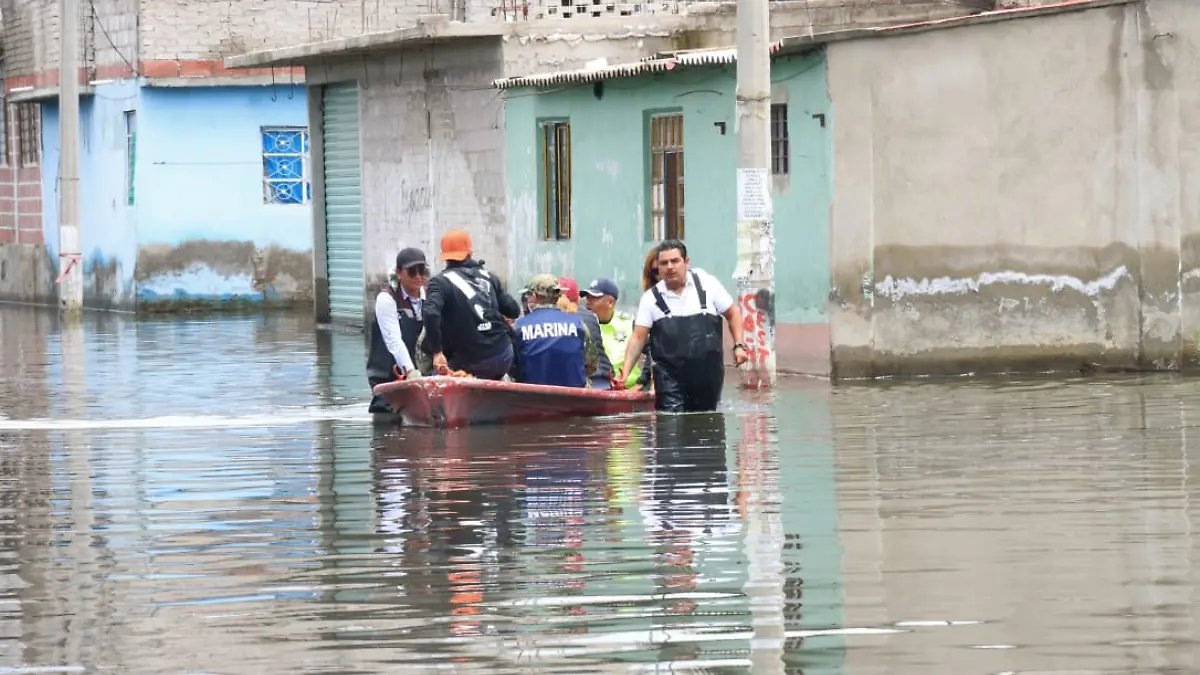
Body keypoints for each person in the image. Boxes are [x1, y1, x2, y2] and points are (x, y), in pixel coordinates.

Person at [616, 239, 749, 412]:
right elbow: (638, 338)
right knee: (670, 426)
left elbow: (733, 313)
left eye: (675, 261)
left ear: (686, 262)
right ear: (658, 267)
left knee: (707, 425)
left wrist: (739, 345)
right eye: (664, 263)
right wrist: (625, 373)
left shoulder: (708, 285)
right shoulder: (650, 298)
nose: (670, 267)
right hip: (669, 377)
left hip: (707, 374)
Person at [420, 229, 522, 380]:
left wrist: (437, 352)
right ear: (470, 253)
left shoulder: (439, 282)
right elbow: (513, 310)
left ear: (445, 257)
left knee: (435, 375)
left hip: (468, 362)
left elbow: (430, 313)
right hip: (502, 356)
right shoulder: (489, 277)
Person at [366, 247, 428, 413]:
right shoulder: (386, 299)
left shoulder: (429, 298)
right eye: (412, 272)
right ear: (399, 273)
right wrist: (410, 372)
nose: (418, 276)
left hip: (421, 381)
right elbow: (394, 340)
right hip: (388, 380)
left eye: (422, 271)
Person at [512, 275, 596, 387]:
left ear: (533, 296)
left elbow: (510, 366)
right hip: (573, 399)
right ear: (558, 296)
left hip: (531, 399)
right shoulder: (578, 325)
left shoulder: (518, 327)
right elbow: (591, 366)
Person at [582, 277, 648, 390]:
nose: (588, 303)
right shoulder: (582, 325)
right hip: (596, 389)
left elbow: (655, 351)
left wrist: (641, 382)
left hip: (628, 392)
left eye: (594, 298)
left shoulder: (628, 324)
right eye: (587, 298)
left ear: (610, 302)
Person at [556, 276, 612, 389]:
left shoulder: (552, 319)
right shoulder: (591, 316)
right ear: (577, 298)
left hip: (580, 383)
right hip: (604, 380)